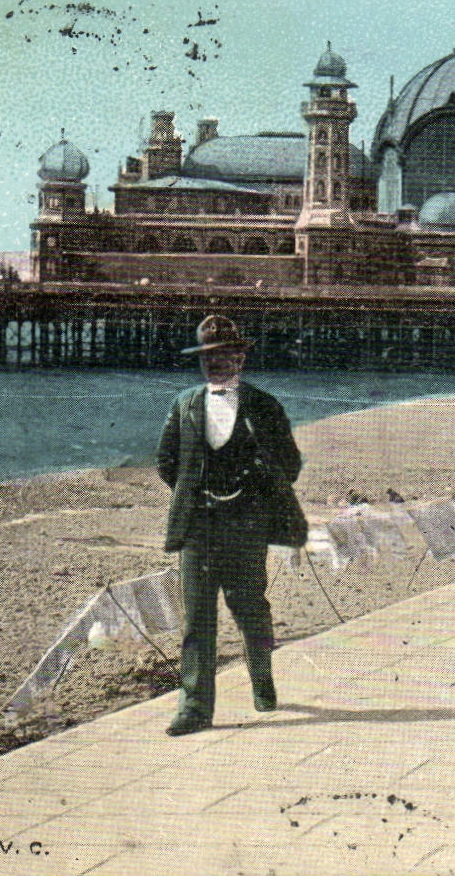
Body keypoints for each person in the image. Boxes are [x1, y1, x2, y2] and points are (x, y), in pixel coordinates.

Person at [156, 315, 307, 736]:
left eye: (224, 356)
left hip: (246, 525)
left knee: (250, 610)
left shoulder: (264, 405)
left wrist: (253, 491)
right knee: (197, 619)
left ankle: (262, 680)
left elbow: (290, 465)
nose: (216, 365)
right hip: (198, 527)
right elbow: (166, 462)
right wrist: (198, 494)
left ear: (240, 357)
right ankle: (194, 708)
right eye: (208, 358)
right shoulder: (184, 403)